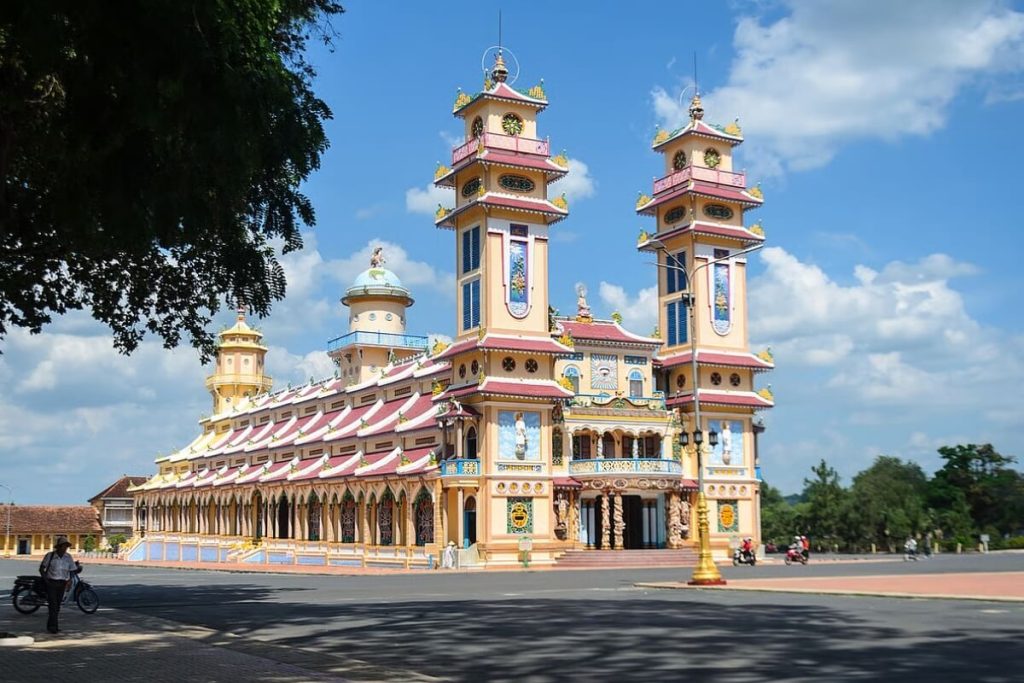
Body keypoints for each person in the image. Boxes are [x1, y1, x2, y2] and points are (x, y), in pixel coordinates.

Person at [39, 535, 80, 634]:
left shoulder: (68, 557)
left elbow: (72, 570)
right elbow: (41, 569)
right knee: (52, 605)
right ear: (59, 547)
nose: (65, 548)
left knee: (57, 606)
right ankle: (53, 627)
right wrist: (46, 580)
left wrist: (70, 580)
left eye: (66, 546)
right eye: (63, 546)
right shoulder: (50, 556)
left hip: (62, 583)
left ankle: (52, 625)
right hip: (51, 583)